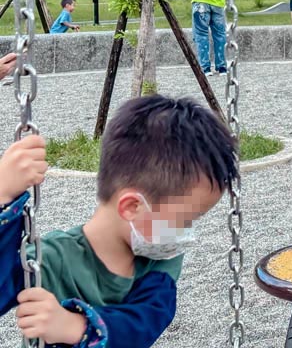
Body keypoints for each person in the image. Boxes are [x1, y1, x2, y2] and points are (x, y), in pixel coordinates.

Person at [0, 94, 239, 347]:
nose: (187, 234)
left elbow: (147, 320)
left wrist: (76, 327)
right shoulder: (50, 260)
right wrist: (4, 199)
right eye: (184, 220)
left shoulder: (160, 261)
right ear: (132, 206)